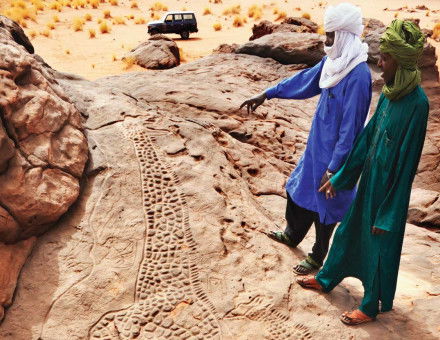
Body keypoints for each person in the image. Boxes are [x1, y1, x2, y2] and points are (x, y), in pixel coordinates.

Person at [297, 19, 429, 326]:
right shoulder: (390, 92)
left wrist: (389, 213)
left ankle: (370, 306)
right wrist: (341, 177)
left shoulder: (417, 104)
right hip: (369, 181)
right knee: (348, 231)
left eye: (387, 57)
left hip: (387, 194)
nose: (380, 62)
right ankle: (327, 277)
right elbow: (366, 140)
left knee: (378, 247)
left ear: (403, 61)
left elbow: (407, 167)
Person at [240, 3, 371, 275]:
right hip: (316, 146)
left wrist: (335, 169)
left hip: (336, 155)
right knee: (298, 188)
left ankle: (318, 255)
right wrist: (268, 93)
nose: (326, 41)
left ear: (345, 36)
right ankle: (292, 234)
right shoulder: (333, 62)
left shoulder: (358, 76)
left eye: (331, 36)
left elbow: (351, 129)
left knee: (327, 204)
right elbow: (305, 81)